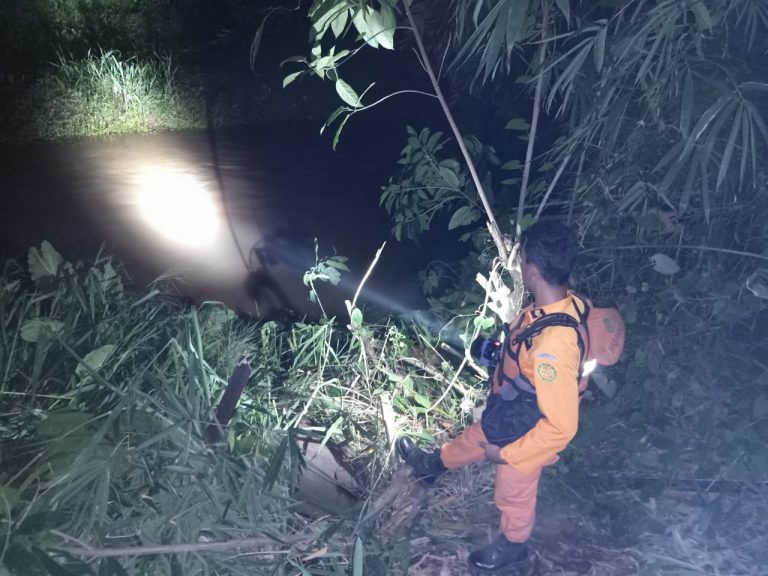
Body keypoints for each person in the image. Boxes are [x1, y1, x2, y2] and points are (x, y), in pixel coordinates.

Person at [398, 219, 587, 573]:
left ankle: (514, 547)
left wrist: (507, 454)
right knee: (476, 435)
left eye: (523, 258)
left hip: (531, 426)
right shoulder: (566, 305)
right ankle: (432, 466)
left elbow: (561, 427)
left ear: (531, 271)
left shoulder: (553, 347)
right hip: (513, 406)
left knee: (514, 489)